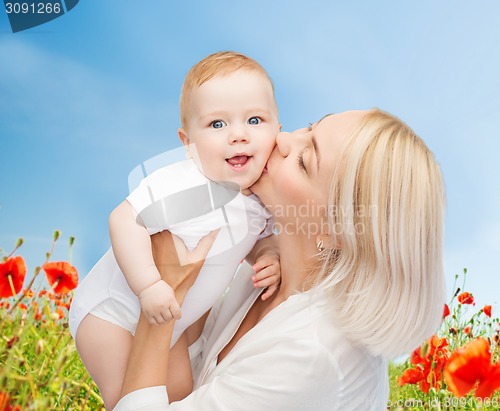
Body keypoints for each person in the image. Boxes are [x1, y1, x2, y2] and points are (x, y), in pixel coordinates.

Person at [113, 109, 446, 411]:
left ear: (336, 232)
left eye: (304, 161)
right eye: (310, 127)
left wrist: (162, 301)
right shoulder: (268, 273)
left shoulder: (314, 355)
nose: (283, 138)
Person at [68, 52, 283, 409]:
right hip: (112, 314)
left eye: (255, 119)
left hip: (172, 324)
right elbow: (124, 219)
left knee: (182, 395)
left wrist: (269, 254)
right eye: (217, 124)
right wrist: (149, 284)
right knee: (126, 395)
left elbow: (255, 240)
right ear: (188, 143)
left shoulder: (259, 199)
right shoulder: (187, 185)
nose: (239, 135)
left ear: (277, 127)